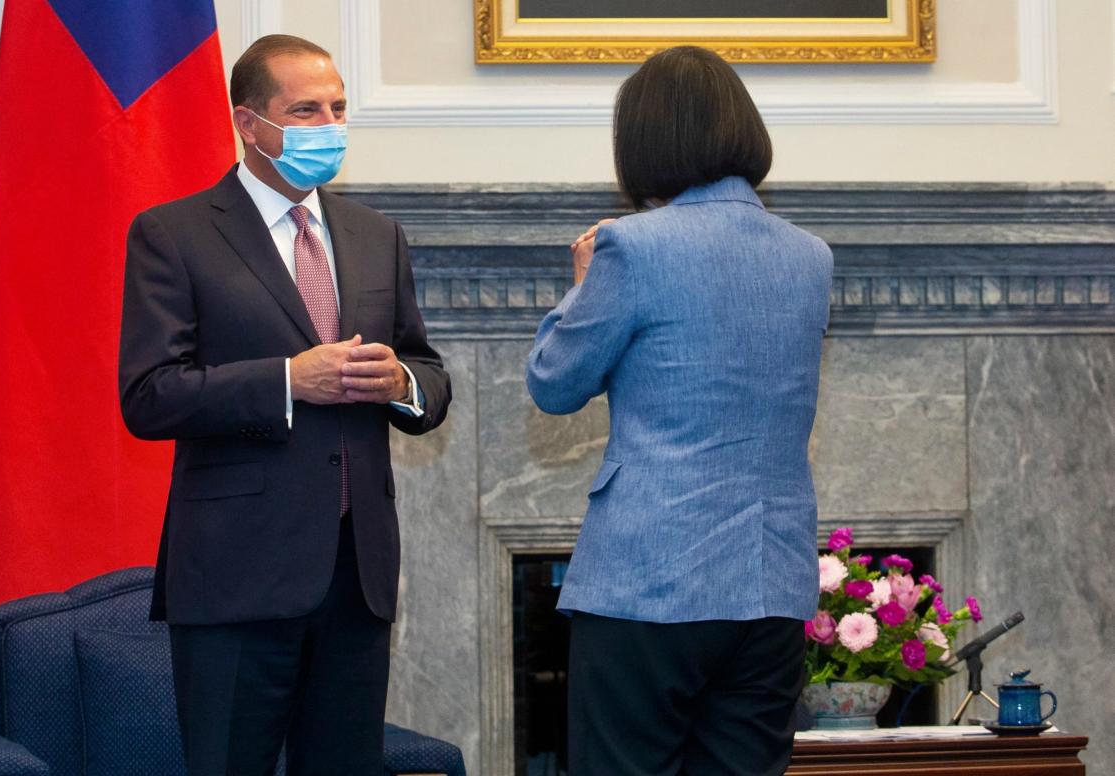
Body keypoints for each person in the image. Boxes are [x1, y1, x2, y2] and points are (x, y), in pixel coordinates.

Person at [118, 34, 451, 775]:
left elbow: (425, 367)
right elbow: (148, 396)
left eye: (337, 108)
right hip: (237, 576)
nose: (328, 126)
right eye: (305, 110)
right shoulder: (175, 234)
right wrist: (285, 381)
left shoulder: (375, 234)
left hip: (354, 575)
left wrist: (402, 384)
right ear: (250, 123)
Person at [525, 46, 833, 776]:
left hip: (649, 582)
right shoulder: (810, 255)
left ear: (645, 140)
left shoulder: (630, 248)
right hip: (770, 583)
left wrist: (580, 286)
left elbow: (554, 384)